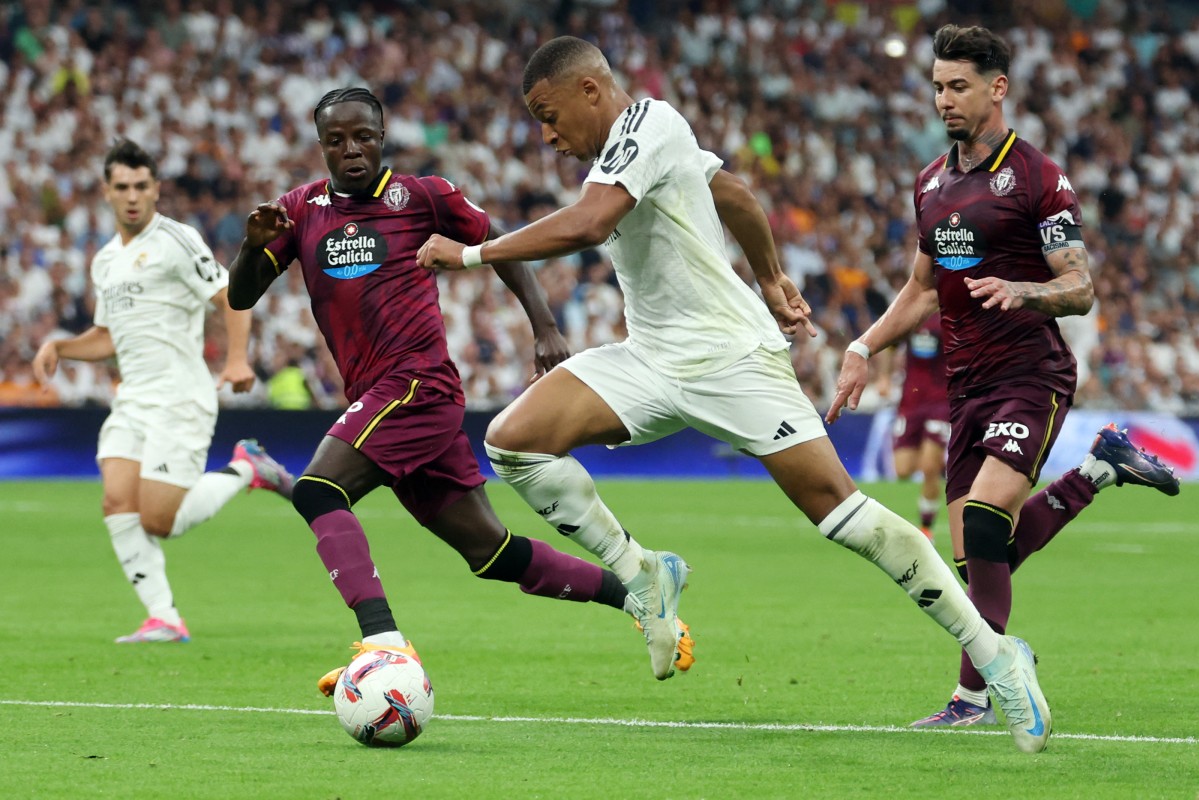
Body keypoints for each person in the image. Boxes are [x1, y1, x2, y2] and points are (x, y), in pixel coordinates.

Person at [417, 35, 1052, 752]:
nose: (546, 134)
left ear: (589, 89)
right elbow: (736, 196)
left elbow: (590, 224)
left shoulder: (648, 125)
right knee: (512, 440)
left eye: (548, 113)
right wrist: (774, 277)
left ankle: (998, 656)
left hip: (731, 359)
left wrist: (470, 254)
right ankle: (643, 575)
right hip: (652, 358)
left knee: (843, 514)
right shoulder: (632, 145)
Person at [224, 87, 691, 693]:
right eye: (337, 140)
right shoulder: (302, 209)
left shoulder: (422, 196)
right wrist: (251, 244)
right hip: (381, 396)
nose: (353, 150)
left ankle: (384, 646)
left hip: (416, 384)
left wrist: (544, 325)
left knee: (317, 492)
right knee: (491, 555)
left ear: (382, 136)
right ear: (322, 147)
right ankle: (641, 596)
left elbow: (499, 245)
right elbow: (241, 295)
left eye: (363, 136)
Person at [826, 25, 1180, 729]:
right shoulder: (931, 182)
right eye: (936, 87)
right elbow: (922, 289)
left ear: (998, 88)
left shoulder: (1040, 179)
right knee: (978, 562)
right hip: (967, 385)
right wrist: (864, 344)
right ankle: (1100, 471)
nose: (944, 100)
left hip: (1031, 371)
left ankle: (975, 697)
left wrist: (1023, 291)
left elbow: (1079, 287)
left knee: (985, 522)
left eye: (958, 86)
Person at [31, 139, 294, 644]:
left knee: (158, 519)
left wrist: (237, 359)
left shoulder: (177, 240)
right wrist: (61, 347)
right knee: (116, 501)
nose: (132, 196)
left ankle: (246, 469)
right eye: (122, 187)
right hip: (133, 397)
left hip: (179, 393)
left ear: (155, 190)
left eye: (141, 186)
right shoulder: (106, 260)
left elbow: (231, 298)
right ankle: (164, 618)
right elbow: (107, 336)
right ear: (107, 193)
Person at [877, 313, 950, 539]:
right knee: (903, 470)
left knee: (929, 468)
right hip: (910, 402)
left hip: (941, 401)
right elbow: (889, 343)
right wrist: (884, 377)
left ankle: (926, 529)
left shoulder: (951, 314)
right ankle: (948, 466)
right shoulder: (913, 312)